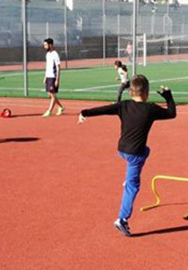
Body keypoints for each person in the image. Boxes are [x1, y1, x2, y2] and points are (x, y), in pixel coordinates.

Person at [78, 75, 177, 237]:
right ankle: (122, 219)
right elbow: (172, 113)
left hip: (122, 149)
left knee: (146, 150)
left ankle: (129, 177)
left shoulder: (123, 106)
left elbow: (104, 109)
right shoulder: (151, 108)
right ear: (146, 93)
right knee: (133, 186)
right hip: (134, 154)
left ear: (131, 92)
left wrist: (84, 113)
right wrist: (168, 96)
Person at [42, 38, 64, 117]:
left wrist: (57, 79)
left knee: (52, 94)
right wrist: (45, 77)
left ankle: (49, 111)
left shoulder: (55, 54)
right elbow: (47, 66)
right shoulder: (47, 54)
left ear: (50, 45)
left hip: (53, 77)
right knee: (50, 95)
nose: (44, 46)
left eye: (45, 44)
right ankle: (61, 107)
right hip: (48, 77)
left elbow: (58, 67)